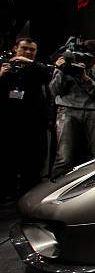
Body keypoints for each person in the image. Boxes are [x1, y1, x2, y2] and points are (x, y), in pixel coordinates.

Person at [0, 38, 53, 199]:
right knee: (6, 162)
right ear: (15, 48)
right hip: (7, 123)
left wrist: (28, 63)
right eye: (25, 48)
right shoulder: (5, 67)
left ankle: (28, 198)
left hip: (34, 124)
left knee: (33, 164)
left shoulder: (36, 69)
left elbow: (48, 75)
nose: (29, 52)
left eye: (32, 50)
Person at [50, 40, 95, 177]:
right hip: (67, 109)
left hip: (92, 111)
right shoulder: (65, 67)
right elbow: (54, 90)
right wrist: (63, 71)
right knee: (64, 157)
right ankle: (54, 189)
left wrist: (84, 78)